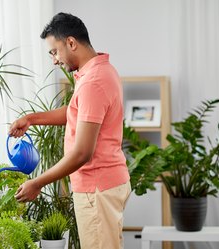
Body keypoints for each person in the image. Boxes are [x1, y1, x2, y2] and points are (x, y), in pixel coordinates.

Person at [9, 12, 131, 249]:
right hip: (106, 183)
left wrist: (37, 183)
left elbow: (82, 153)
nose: (54, 60)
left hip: (97, 187)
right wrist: (31, 119)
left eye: (54, 51)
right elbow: (77, 110)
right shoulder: (100, 71)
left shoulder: (93, 81)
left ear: (71, 42)